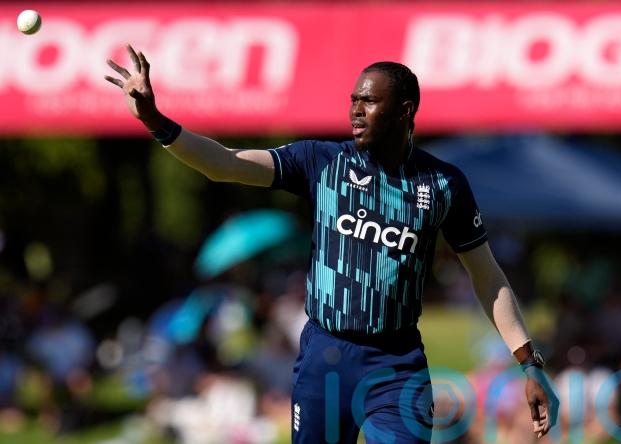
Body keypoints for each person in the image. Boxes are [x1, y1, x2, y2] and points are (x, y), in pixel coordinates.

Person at [105, 45, 559, 443]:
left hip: (397, 365)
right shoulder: (321, 162)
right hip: (325, 357)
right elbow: (225, 163)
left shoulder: (443, 184)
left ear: (404, 110)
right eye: (353, 100)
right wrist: (156, 121)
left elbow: (488, 278)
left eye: (369, 101)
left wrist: (529, 362)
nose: (356, 110)